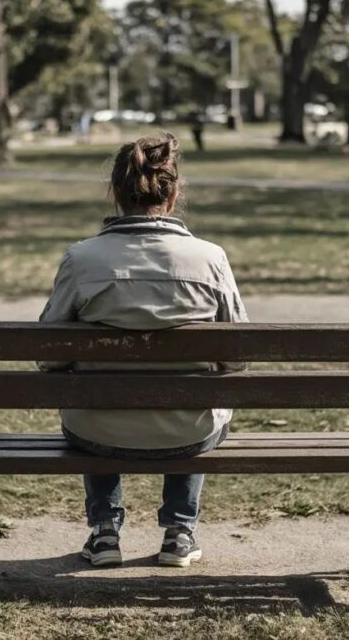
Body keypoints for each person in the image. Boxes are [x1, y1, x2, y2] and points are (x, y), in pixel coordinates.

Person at [39, 132, 247, 568]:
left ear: (117, 193)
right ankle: (179, 531)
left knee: (92, 401)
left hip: (99, 432)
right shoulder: (210, 259)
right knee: (199, 395)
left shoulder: (82, 259)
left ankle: (104, 532)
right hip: (187, 433)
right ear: (172, 194)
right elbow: (237, 356)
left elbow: (49, 354)